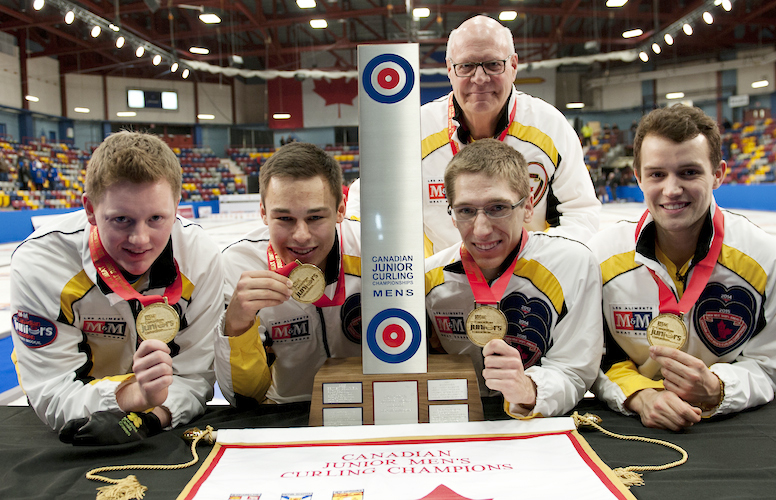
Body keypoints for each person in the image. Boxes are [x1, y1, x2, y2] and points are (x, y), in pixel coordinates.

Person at [589, 105, 776, 431]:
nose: (672, 190)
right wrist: (638, 395)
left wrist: (718, 388)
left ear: (718, 174)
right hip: (633, 428)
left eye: (689, 172)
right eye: (657, 174)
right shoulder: (601, 257)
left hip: (734, 433)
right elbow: (591, 360)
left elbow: (774, 366)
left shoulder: (769, 260)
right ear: (638, 177)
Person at [10, 131, 224, 445]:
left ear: (177, 206)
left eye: (156, 218)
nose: (140, 239)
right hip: (72, 430)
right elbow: (53, 392)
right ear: (90, 209)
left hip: (158, 424)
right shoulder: (42, 262)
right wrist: (131, 395)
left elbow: (195, 378)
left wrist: (148, 419)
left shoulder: (200, 257)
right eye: (121, 219)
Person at [347, 15, 600, 254]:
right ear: (449, 70)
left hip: (528, 288)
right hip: (439, 289)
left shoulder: (550, 127)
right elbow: (364, 202)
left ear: (513, 66)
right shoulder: (415, 130)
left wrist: (546, 267)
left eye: (492, 65)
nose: (479, 78)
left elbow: (581, 213)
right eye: (466, 66)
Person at [425, 139, 602, 419]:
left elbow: (575, 371)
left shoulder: (573, 265)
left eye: (498, 208)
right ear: (451, 213)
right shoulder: (426, 279)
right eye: (466, 211)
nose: (481, 230)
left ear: (528, 206)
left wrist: (529, 389)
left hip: (539, 432)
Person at [215, 142, 362, 406]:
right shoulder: (239, 265)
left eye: (316, 217)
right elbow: (244, 399)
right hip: (285, 414)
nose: (301, 236)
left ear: (340, 210)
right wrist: (236, 326)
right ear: (263, 213)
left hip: (372, 410)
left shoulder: (371, 252)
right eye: (285, 219)